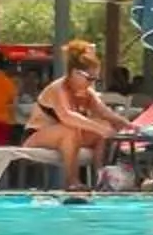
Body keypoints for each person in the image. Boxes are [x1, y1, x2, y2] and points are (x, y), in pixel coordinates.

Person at [24, 39, 122, 194]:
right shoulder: (59, 88)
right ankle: (72, 181)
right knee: (71, 130)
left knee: (102, 127)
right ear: (75, 72)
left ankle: (100, 177)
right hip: (37, 136)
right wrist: (98, 127)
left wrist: (130, 125)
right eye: (89, 78)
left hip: (68, 135)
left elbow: (105, 112)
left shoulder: (87, 92)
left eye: (95, 79)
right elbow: (67, 116)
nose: (91, 83)